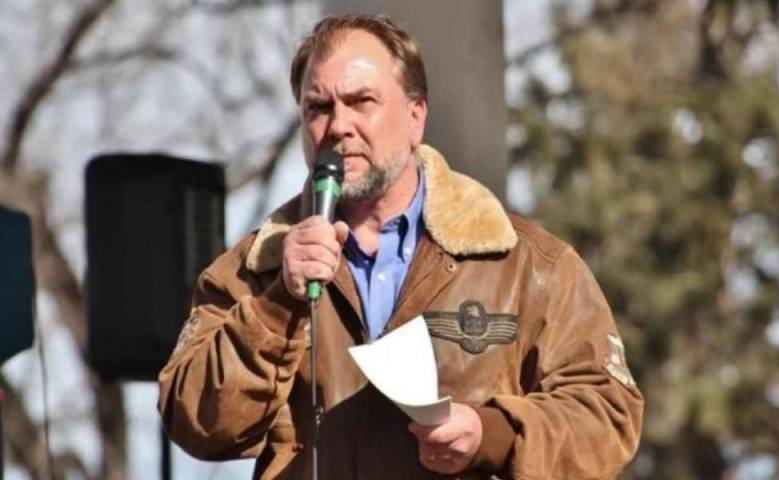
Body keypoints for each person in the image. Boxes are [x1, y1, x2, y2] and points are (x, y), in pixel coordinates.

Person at [158, 14, 644, 480]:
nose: (338, 125)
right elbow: (193, 421)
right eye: (318, 108)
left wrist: (491, 434)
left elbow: (608, 416)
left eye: (361, 101)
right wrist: (278, 305)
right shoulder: (257, 268)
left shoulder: (526, 264)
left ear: (416, 117)